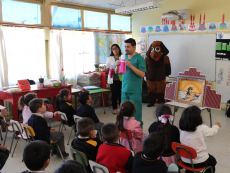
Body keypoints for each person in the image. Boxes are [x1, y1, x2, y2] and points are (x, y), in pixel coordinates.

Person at [179, 106, 221, 173]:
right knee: (213, 160)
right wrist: (216, 126)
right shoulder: (202, 128)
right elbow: (213, 132)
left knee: (192, 159)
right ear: (198, 118)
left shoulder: (182, 130)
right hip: (199, 162)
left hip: (184, 160)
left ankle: (189, 171)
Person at [116, 38, 146, 127]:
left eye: (128, 47)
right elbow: (116, 72)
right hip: (124, 89)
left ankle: (138, 131)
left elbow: (143, 74)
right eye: (125, 46)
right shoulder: (123, 57)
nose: (126, 48)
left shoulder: (139, 59)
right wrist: (117, 66)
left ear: (134, 47)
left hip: (135, 91)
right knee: (124, 112)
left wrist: (131, 66)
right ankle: (125, 129)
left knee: (136, 113)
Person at [106, 44, 122, 114]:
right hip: (113, 78)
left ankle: (121, 108)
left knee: (121, 94)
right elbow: (106, 67)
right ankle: (115, 108)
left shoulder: (122, 56)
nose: (115, 50)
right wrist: (110, 67)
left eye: (116, 48)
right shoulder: (109, 58)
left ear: (119, 49)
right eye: (113, 49)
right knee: (114, 94)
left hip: (121, 78)